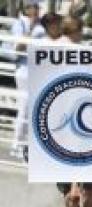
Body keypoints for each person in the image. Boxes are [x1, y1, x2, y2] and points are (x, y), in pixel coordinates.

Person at [7, 0, 45, 162]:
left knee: (34, 108)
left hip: (38, 71)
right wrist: (29, 31)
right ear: (27, 9)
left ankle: (27, 145)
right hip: (24, 71)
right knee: (24, 107)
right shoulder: (19, 25)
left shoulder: (42, 26)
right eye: (33, 7)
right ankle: (17, 144)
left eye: (37, 7)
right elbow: (16, 50)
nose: (36, 10)